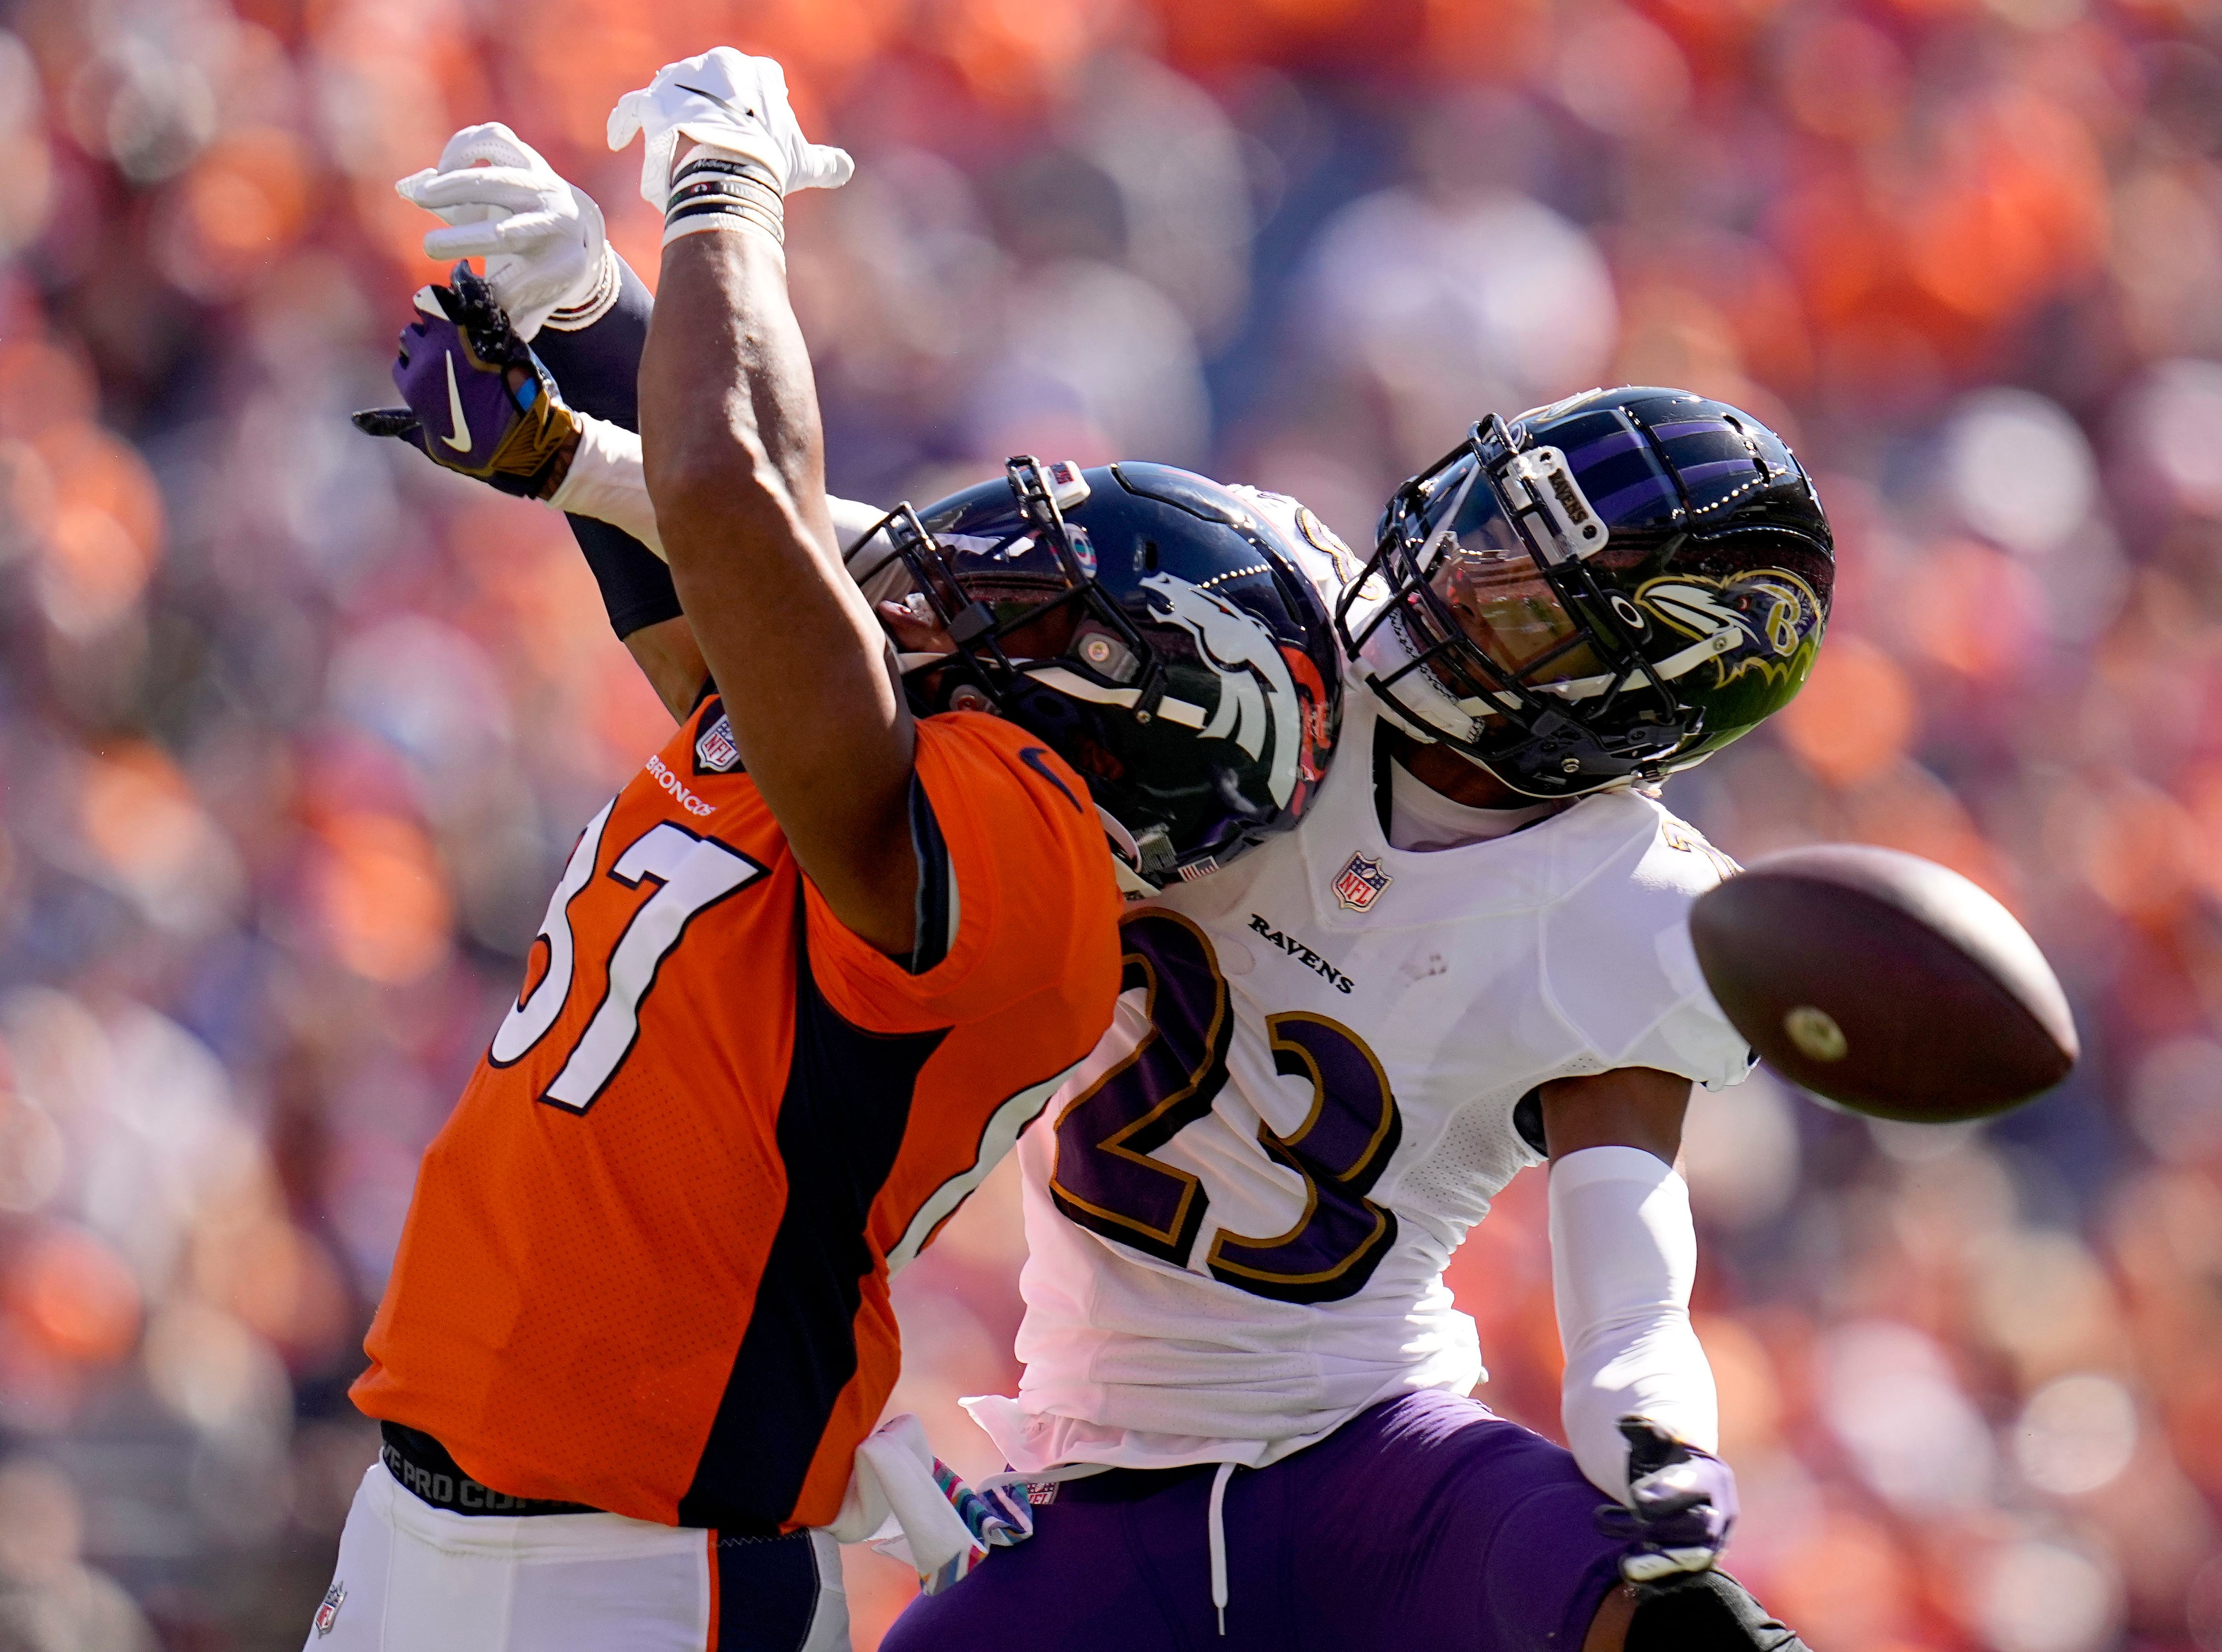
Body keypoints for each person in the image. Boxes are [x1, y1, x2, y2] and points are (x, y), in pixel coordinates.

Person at [389, 91, 1829, 1652]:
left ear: (1633, 699)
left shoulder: (1622, 902)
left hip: (1367, 1440)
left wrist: (1645, 1407)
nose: (1450, 582)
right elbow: (945, 589)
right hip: (1097, 1459)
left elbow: (1630, 1242)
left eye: (1525, 602)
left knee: (1663, 1620)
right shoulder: (1273, 645)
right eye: (1483, 525)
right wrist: (580, 431)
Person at [308, 50, 1338, 1652]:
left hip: (627, 1572)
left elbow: (736, 498)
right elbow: (703, 578)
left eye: (1049, 595)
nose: (972, 572)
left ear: (1139, 714)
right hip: (470, 1517)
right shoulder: (891, 770)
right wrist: (586, 314)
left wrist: (727, 186)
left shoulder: (1016, 860)